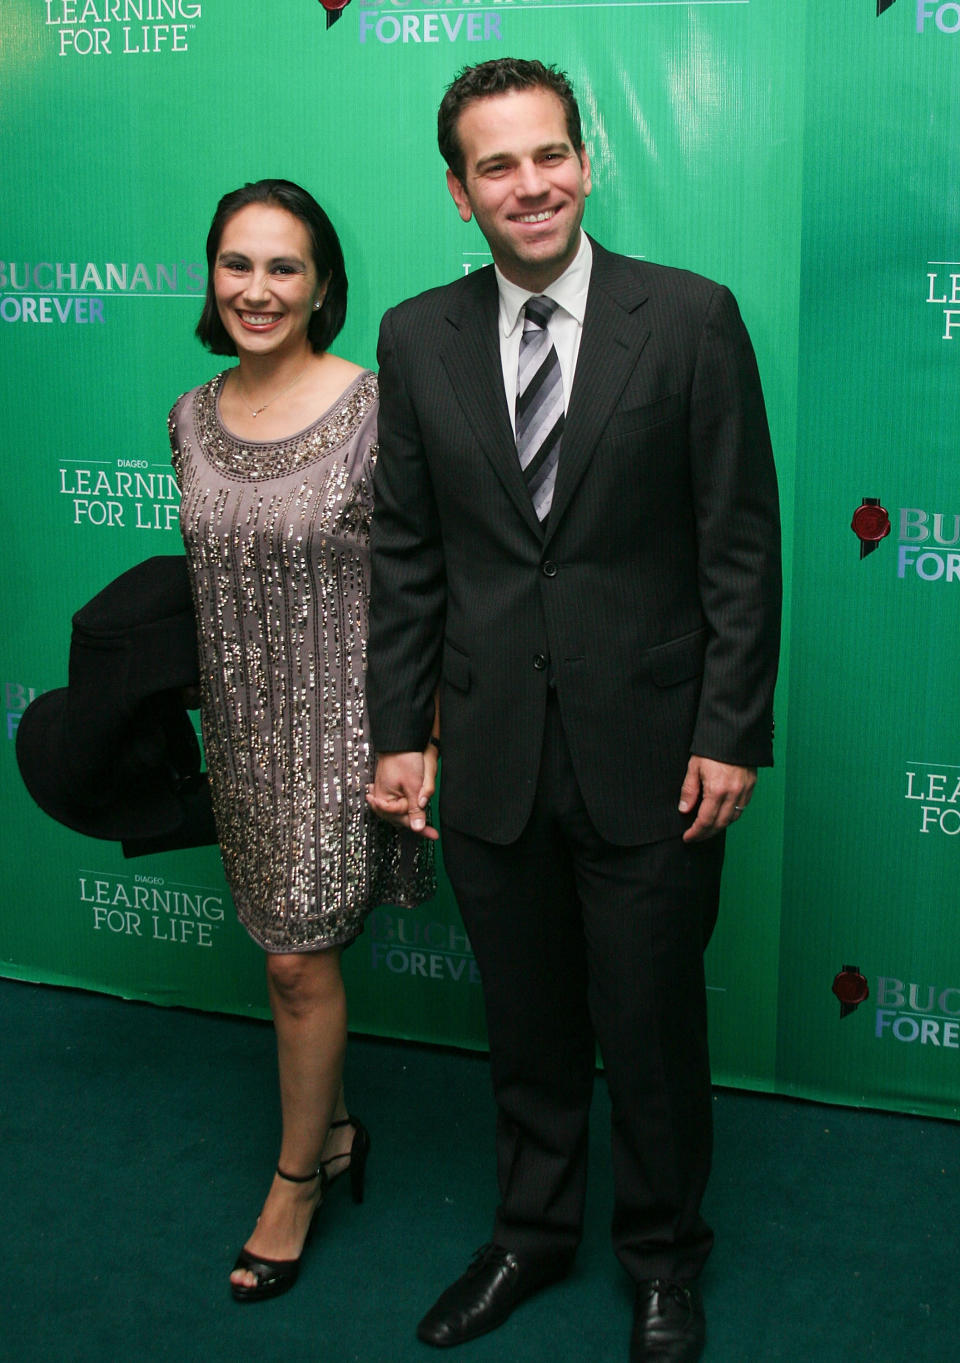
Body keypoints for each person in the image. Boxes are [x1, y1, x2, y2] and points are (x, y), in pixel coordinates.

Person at [366, 60, 781, 1363]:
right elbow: (408, 550)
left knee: (651, 1023)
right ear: (459, 190)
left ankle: (662, 1256)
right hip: (488, 750)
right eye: (497, 165)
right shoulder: (414, 333)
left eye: (548, 155)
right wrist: (395, 729)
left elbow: (740, 547)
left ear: (586, 162)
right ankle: (531, 1233)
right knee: (528, 1017)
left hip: (656, 753)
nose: (529, 184)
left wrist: (729, 727)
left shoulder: (693, 318)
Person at [169, 179, 434, 1304]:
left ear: (325, 281)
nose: (259, 289)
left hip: (348, 728)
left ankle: (295, 1183)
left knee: (293, 960)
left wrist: (418, 732)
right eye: (238, 264)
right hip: (243, 736)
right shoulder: (187, 413)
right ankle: (330, 1136)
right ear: (211, 276)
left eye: (286, 267)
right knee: (285, 954)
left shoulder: (382, 407)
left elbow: (433, 577)